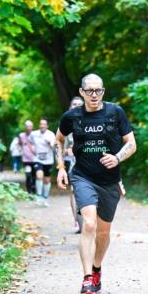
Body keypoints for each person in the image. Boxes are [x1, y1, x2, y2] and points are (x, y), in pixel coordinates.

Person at [56, 74, 136, 294]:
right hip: (83, 177)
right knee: (88, 224)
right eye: (89, 90)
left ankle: (97, 267)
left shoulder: (115, 112)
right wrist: (61, 167)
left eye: (98, 90)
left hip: (109, 180)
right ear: (81, 92)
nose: (94, 95)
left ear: (103, 91)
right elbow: (59, 139)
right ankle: (87, 279)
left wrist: (117, 158)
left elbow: (131, 143)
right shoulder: (72, 116)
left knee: (103, 232)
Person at [64, 96, 84, 232]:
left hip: (91, 165)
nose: (76, 106)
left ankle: (87, 221)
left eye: (79, 104)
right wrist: (68, 151)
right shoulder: (66, 125)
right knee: (75, 193)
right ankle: (78, 222)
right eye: (74, 104)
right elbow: (60, 146)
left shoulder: (92, 121)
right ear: (70, 107)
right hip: (73, 166)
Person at [30, 119, 58, 206]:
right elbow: (30, 142)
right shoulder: (34, 134)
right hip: (38, 159)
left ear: (47, 126)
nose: (42, 126)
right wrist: (32, 149)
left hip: (48, 160)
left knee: (47, 180)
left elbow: (54, 147)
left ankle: (45, 198)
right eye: (41, 124)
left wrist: (50, 143)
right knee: (39, 176)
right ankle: (38, 197)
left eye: (44, 124)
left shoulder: (50, 134)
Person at [19, 121, 36, 195]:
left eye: (30, 126)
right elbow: (19, 144)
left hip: (35, 159)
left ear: (32, 127)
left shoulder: (35, 135)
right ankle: (29, 191)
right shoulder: (21, 135)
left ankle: (34, 189)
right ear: (25, 127)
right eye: (27, 126)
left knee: (34, 175)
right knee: (28, 175)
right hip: (26, 160)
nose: (28, 128)